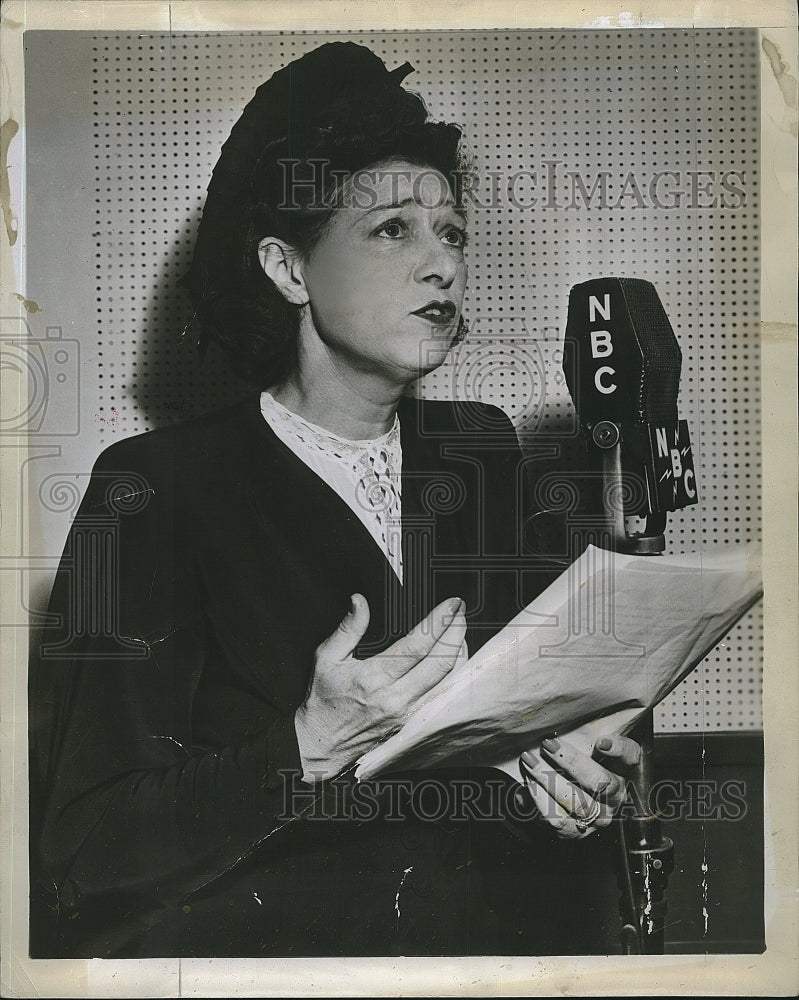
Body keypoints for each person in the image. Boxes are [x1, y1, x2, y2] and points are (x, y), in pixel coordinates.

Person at [29, 41, 638, 958]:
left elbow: (500, 778)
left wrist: (561, 782)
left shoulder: (483, 454)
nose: (441, 264)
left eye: (451, 233)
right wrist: (307, 747)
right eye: (392, 229)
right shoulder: (152, 486)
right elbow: (81, 856)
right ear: (286, 269)